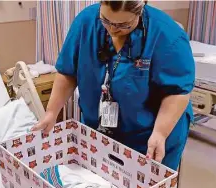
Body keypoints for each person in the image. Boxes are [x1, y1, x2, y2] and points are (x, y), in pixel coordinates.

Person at [32, 1, 195, 171]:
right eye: (106, 20)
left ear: (140, 10)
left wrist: (160, 133)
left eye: (123, 24)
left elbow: (177, 91)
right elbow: (67, 71)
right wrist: (51, 112)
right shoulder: (86, 21)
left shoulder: (167, 35)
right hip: (99, 128)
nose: (112, 29)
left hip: (150, 134)